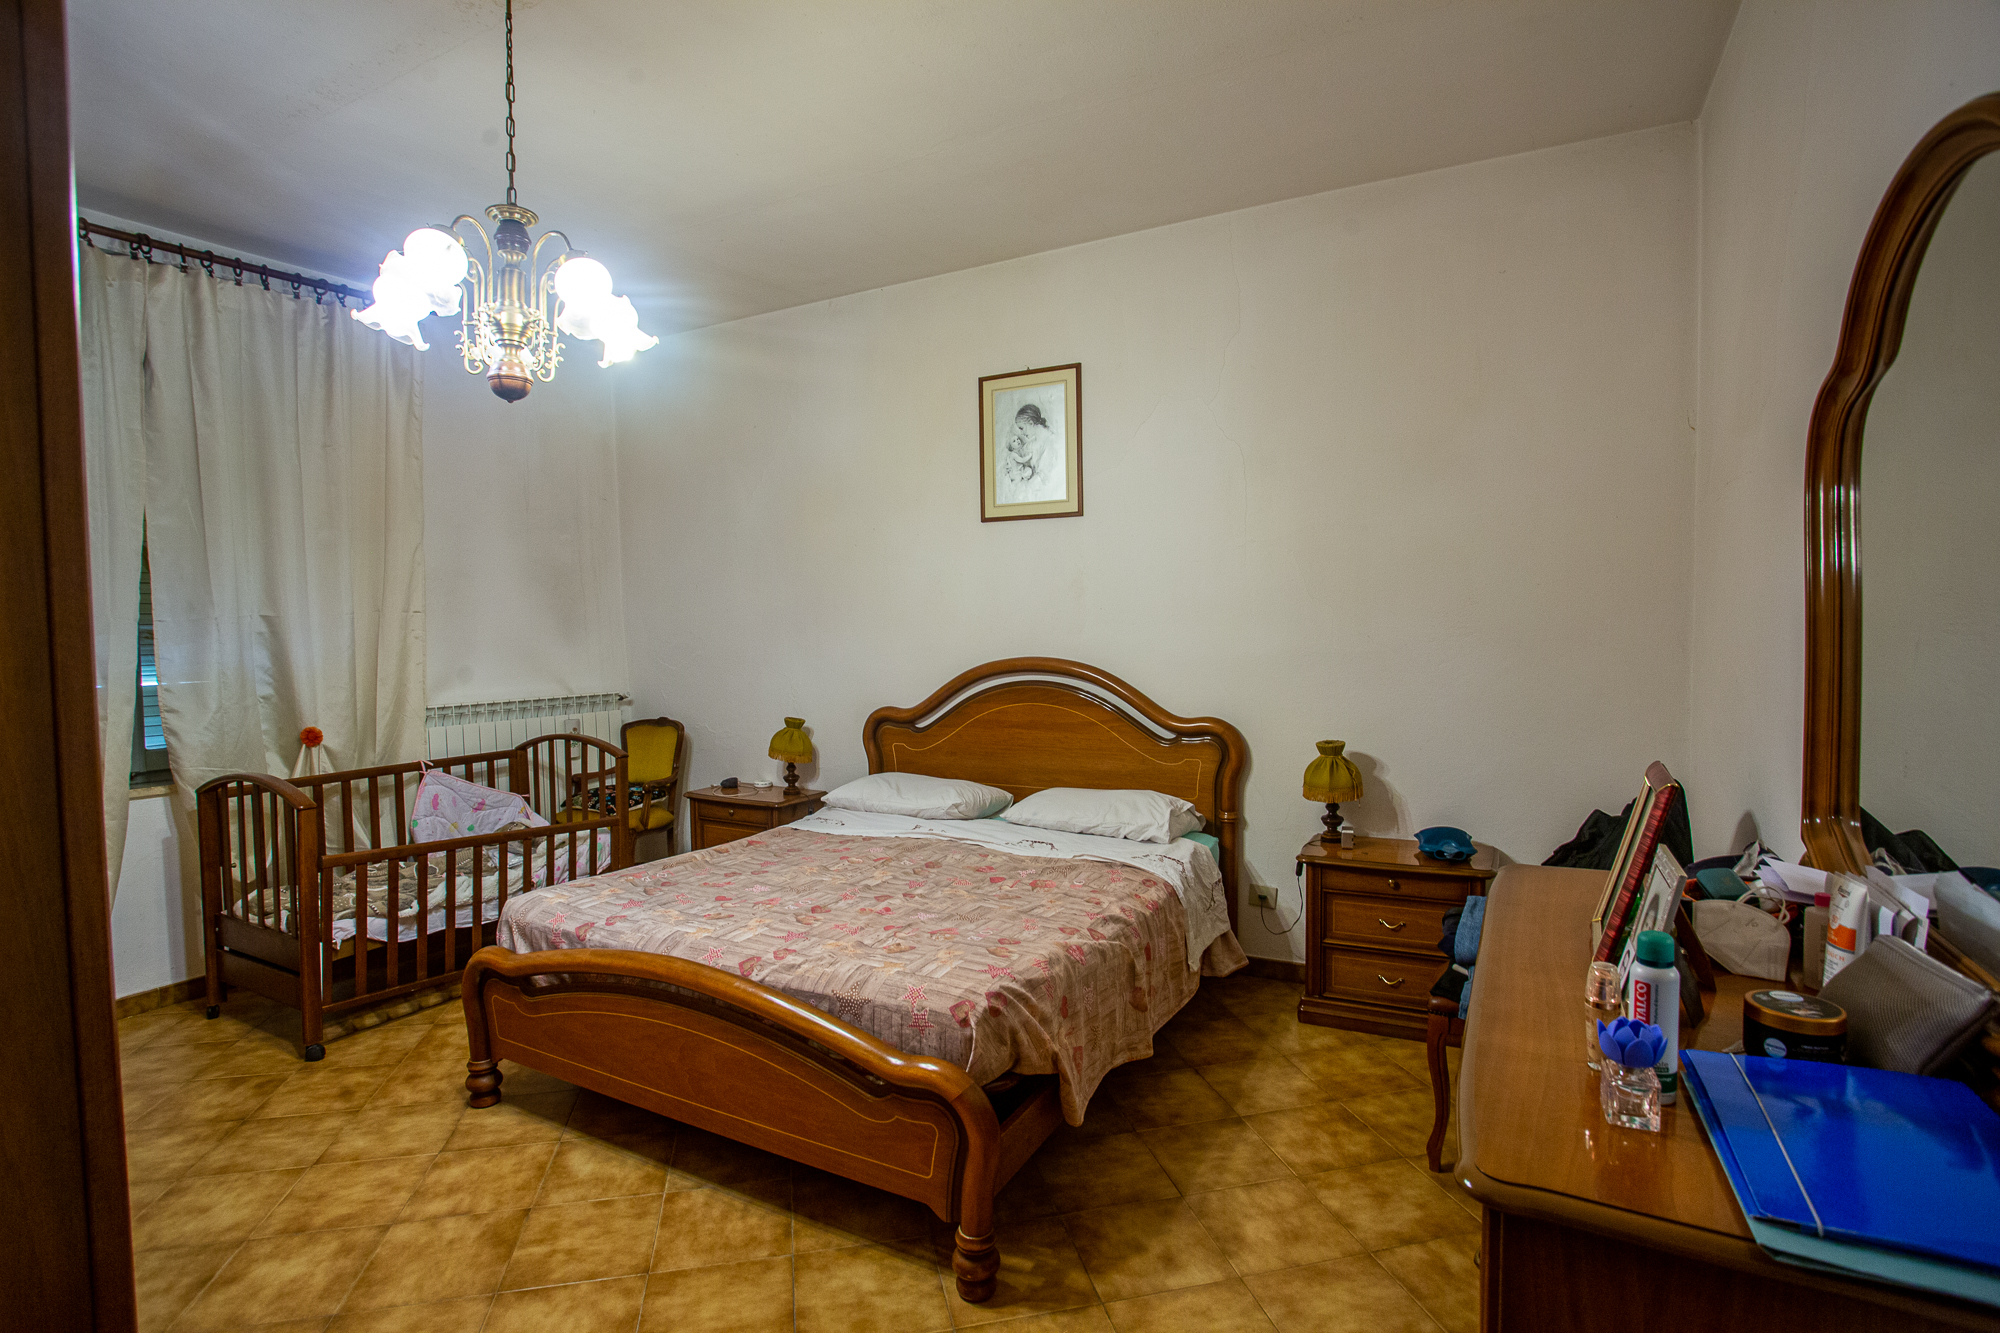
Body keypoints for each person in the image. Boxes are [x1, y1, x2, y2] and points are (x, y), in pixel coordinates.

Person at [998, 401, 1063, 503]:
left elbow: (1044, 477)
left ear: (1031, 423)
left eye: (1022, 428)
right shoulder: (1033, 442)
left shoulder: (1051, 442)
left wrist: (1020, 490)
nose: (1021, 433)